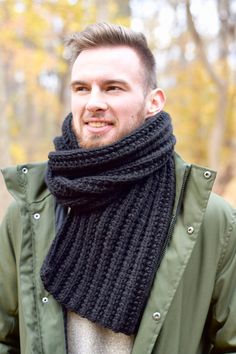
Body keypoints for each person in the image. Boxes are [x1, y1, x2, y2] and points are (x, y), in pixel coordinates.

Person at [0, 22, 236, 354]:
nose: (93, 102)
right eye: (81, 88)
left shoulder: (211, 221)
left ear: (153, 101)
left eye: (112, 88)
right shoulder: (28, 212)